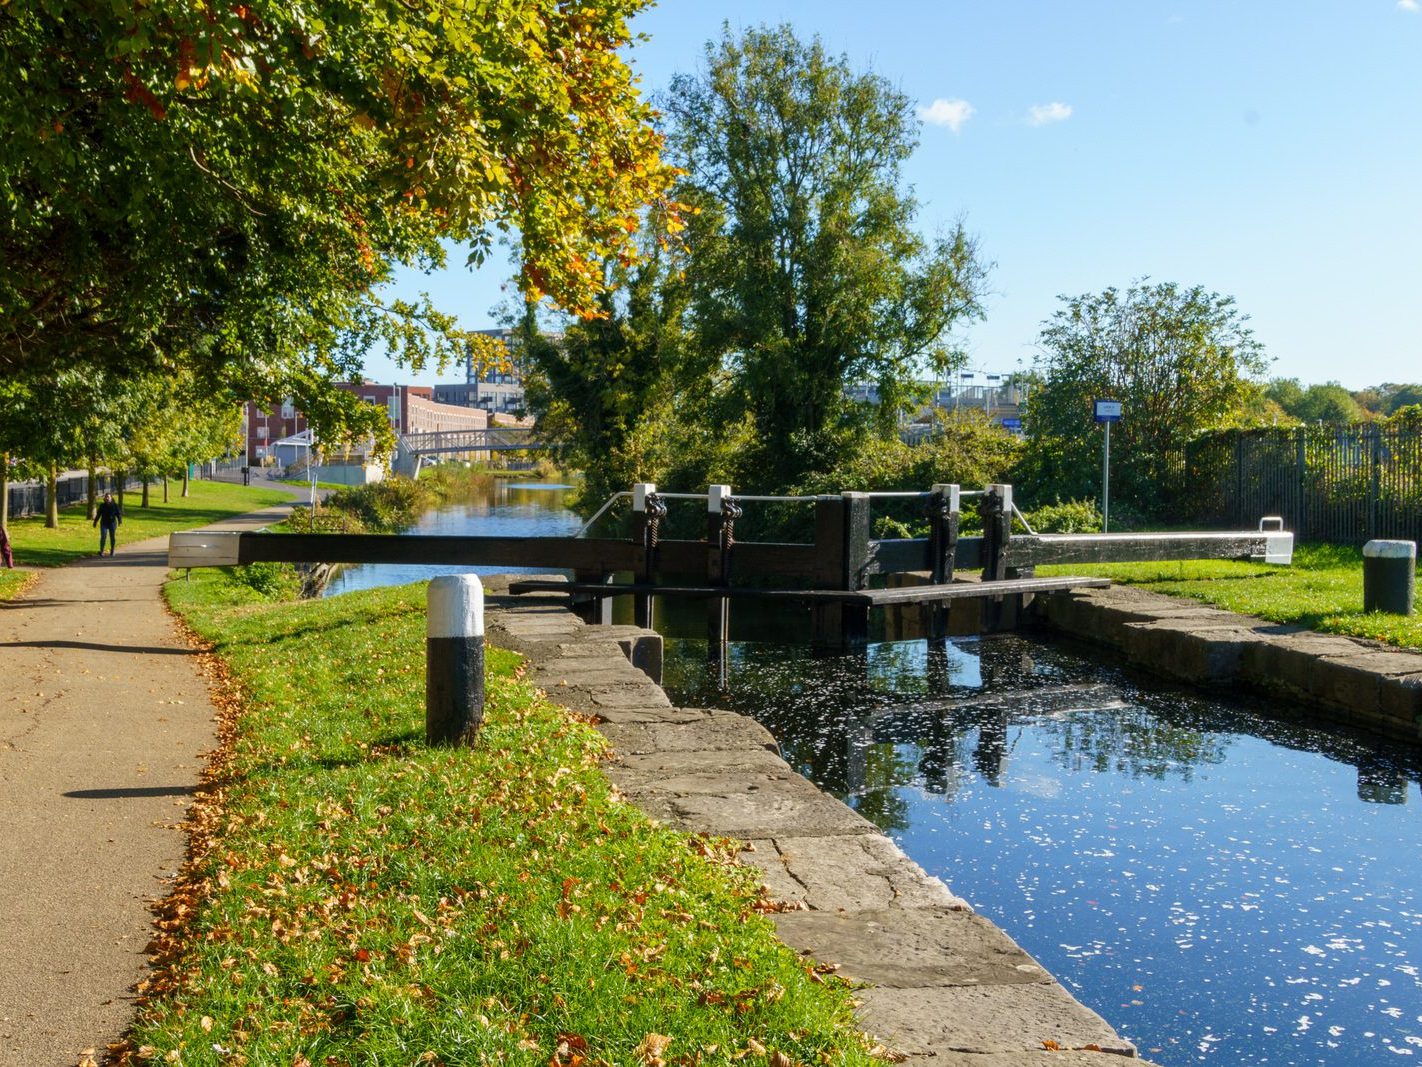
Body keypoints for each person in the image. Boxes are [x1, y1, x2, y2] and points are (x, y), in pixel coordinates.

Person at [94, 491, 122, 557]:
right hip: (104, 523)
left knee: (112, 537)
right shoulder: (102, 505)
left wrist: (120, 521)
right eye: (106, 497)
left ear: (111, 498)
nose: (107, 498)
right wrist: (95, 522)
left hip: (112, 523)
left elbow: (118, 514)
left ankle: (112, 551)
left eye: (108, 497)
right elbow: (98, 515)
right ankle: (101, 551)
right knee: (103, 536)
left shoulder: (115, 505)